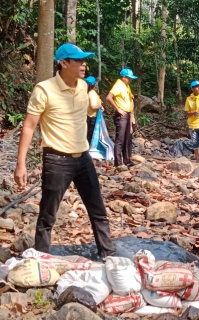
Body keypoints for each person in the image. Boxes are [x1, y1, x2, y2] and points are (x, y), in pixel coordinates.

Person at [14, 43, 116, 259]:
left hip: (83, 159)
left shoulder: (82, 87)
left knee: (98, 210)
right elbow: (29, 126)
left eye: (84, 60)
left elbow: (86, 111)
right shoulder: (44, 90)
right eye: (78, 60)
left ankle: (109, 256)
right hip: (56, 160)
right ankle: (42, 259)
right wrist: (20, 164)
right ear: (63, 63)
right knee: (48, 215)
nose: (83, 64)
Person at [106, 68, 137, 167]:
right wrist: (118, 109)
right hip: (121, 115)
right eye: (129, 78)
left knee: (127, 138)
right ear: (124, 77)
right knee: (120, 139)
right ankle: (118, 163)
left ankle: (127, 160)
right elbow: (109, 97)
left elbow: (130, 100)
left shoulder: (126, 86)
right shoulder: (118, 85)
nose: (130, 80)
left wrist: (132, 116)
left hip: (127, 114)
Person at [85, 76, 104, 144]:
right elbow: (93, 106)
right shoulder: (92, 93)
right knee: (90, 136)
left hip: (87, 116)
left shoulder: (86, 93)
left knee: (87, 135)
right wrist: (100, 106)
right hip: (92, 118)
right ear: (94, 84)